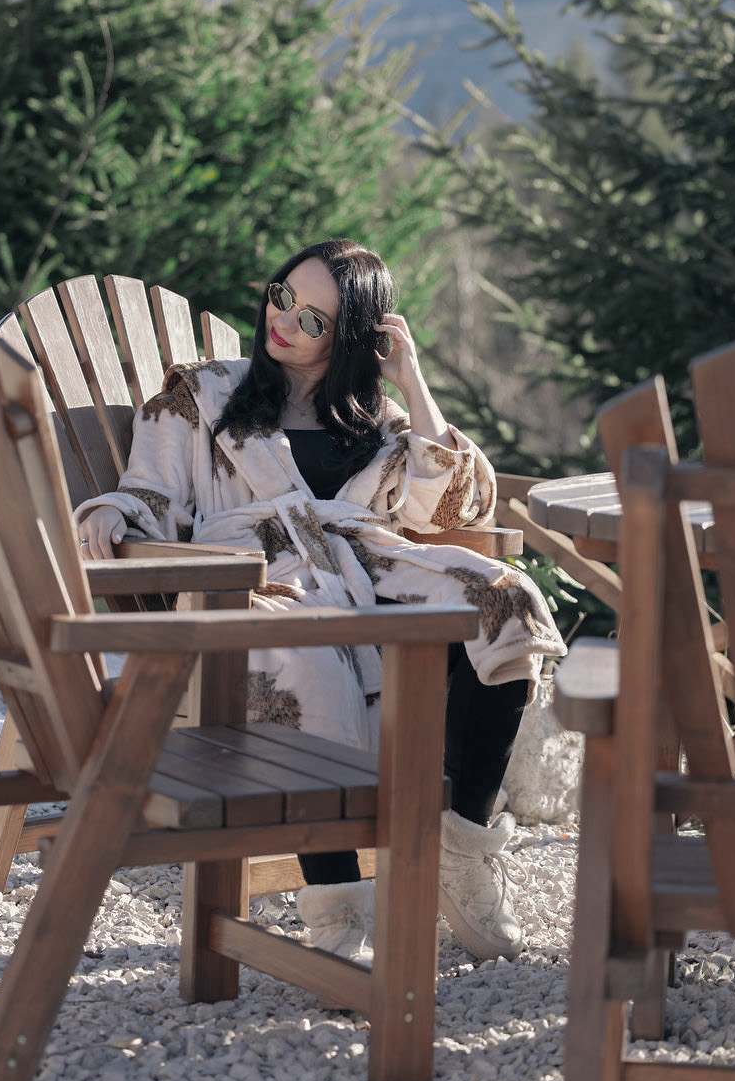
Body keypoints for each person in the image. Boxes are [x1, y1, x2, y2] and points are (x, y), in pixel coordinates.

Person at [76, 238, 565, 966]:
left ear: (351, 339)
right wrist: (114, 509)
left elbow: (451, 507)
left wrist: (413, 381)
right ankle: (337, 902)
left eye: (311, 319)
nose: (282, 321)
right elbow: (151, 490)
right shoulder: (203, 396)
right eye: (282, 297)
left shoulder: (377, 419)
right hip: (254, 584)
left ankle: (461, 844)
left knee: (506, 598)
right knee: (309, 648)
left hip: (366, 573)